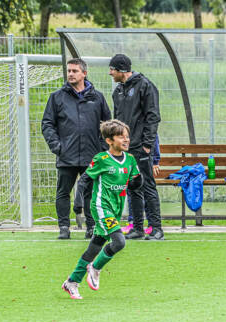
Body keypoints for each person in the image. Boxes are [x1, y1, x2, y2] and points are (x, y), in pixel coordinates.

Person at [61, 120, 142, 300]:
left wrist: (137, 181)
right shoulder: (101, 159)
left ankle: (72, 282)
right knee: (119, 242)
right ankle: (95, 268)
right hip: (101, 207)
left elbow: (136, 182)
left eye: (127, 137)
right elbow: (84, 181)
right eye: (121, 137)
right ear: (109, 140)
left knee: (94, 247)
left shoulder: (130, 159)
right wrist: (78, 201)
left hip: (116, 209)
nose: (126, 140)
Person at [42, 58, 111, 239]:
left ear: (84, 74)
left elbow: (108, 125)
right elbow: (47, 124)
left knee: (90, 192)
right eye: (69, 71)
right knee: (63, 192)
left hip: (92, 155)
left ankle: (91, 226)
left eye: (74, 71)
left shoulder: (98, 97)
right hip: (67, 155)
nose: (71, 74)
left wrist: (103, 149)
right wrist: (57, 146)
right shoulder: (57, 97)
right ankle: (64, 227)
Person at [108, 54, 164, 241]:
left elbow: (153, 117)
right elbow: (117, 122)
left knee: (147, 185)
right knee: (132, 186)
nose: (110, 73)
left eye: (112, 69)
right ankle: (138, 227)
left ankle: (156, 228)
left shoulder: (145, 86)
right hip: (125, 149)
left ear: (122, 70)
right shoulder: (118, 92)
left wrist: (148, 144)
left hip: (141, 147)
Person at [123, 134, 161, 235]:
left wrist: (155, 161)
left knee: (147, 189)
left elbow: (153, 136)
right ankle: (135, 224)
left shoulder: (147, 127)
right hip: (131, 154)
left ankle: (153, 225)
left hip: (144, 155)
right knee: (133, 188)